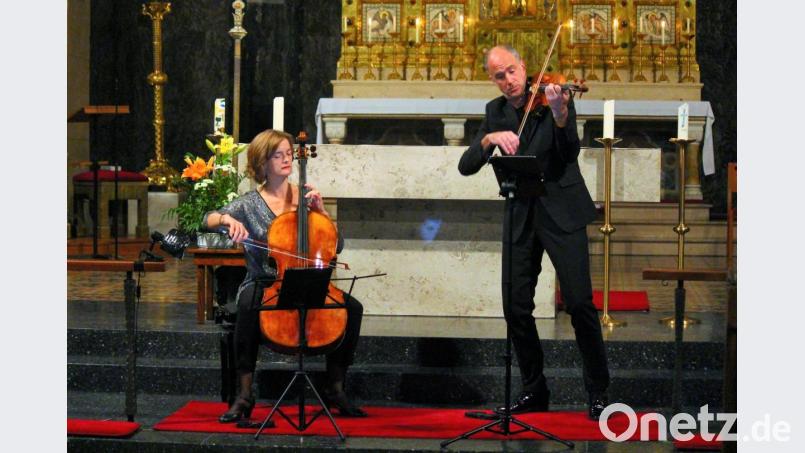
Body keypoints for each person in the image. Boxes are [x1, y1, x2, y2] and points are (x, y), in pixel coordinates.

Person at [458, 45, 610, 420]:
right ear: (491, 79)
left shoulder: (554, 98)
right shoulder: (495, 113)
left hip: (562, 212)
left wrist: (560, 116)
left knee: (579, 304)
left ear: (524, 68)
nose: (508, 80)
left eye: (511, 71)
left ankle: (598, 391)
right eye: (499, 75)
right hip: (521, 212)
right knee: (515, 307)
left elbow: (569, 152)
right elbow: (466, 166)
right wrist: (489, 139)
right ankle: (534, 389)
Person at [204, 129, 367, 423]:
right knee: (248, 305)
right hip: (264, 283)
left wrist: (322, 213)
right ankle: (244, 395)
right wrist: (227, 219)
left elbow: (335, 245)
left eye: (289, 154)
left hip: (309, 280)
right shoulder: (249, 203)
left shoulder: (306, 197)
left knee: (352, 308)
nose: (286, 160)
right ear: (262, 162)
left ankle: (335, 387)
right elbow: (209, 219)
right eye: (278, 155)